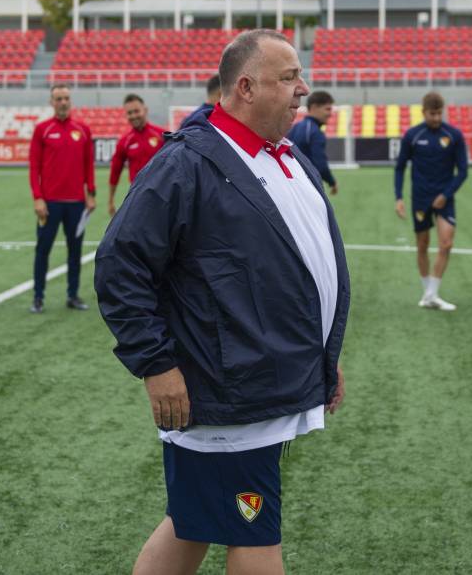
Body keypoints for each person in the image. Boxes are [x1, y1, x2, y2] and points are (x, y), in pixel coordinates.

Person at [95, 29, 349, 575]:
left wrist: (324, 355)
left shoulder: (287, 155)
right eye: (289, 78)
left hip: (261, 381)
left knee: (193, 523)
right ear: (246, 87)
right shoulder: (186, 163)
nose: (303, 88)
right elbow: (120, 263)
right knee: (254, 535)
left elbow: (293, 273)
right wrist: (156, 363)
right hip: (227, 394)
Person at [394, 92, 468, 311]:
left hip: (445, 198)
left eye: (438, 113)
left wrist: (446, 194)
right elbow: (400, 168)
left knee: (446, 243)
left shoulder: (454, 135)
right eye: (431, 114)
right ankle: (429, 293)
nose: (436, 118)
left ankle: (431, 294)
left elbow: (463, 171)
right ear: (423, 112)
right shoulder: (413, 135)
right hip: (420, 198)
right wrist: (399, 197)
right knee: (423, 245)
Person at [29, 83, 96, 314]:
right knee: (43, 250)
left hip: (77, 204)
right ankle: (38, 297)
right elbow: (33, 167)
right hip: (49, 204)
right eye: (58, 99)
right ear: (52, 102)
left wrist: (91, 194)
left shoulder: (83, 129)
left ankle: (73, 295)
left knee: (75, 250)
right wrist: (38, 198)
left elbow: (89, 165)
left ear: (71, 100)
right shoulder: (42, 130)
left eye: (66, 98)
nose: (63, 102)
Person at [107, 94, 166, 216]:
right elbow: (115, 172)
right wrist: (111, 199)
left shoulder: (162, 135)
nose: (133, 116)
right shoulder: (125, 141)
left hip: (163, 195)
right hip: (137, 197)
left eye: (136, 111)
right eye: (129, 113)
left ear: (145, 110)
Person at [287, 90, 338, 195]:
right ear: (314, 107)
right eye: (327, 109)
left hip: (291, 184)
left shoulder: (296, 127)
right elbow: (320, 164)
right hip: (308, 185)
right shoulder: (315, 132)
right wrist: (332, 182)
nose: (330, 114)